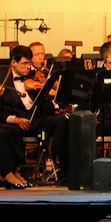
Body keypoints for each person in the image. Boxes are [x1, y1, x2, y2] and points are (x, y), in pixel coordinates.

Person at [0, 45, 69, 185]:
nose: (29, 67)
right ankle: (12, 171)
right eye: (25, 63)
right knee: (8, 132)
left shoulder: (34, 77)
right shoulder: (2, 78)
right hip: (16, 121)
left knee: (61, 121)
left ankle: (64, 169)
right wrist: (15, 119)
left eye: (30, 63)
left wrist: (47, 95)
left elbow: (45, 107)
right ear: (13, 62)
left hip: (35, 118)